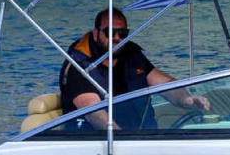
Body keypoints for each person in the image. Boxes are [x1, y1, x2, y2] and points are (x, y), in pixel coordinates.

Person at [59, 8, 210, 129]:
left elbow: (165, 85)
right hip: (98, 145)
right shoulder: (78, 66)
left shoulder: (131, 54)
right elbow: (94, 113)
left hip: (140, 138)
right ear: (96, 33)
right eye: (110, 32)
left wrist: (186, 99)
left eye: (122, 33)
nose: (117, 38)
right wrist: (123, 140)